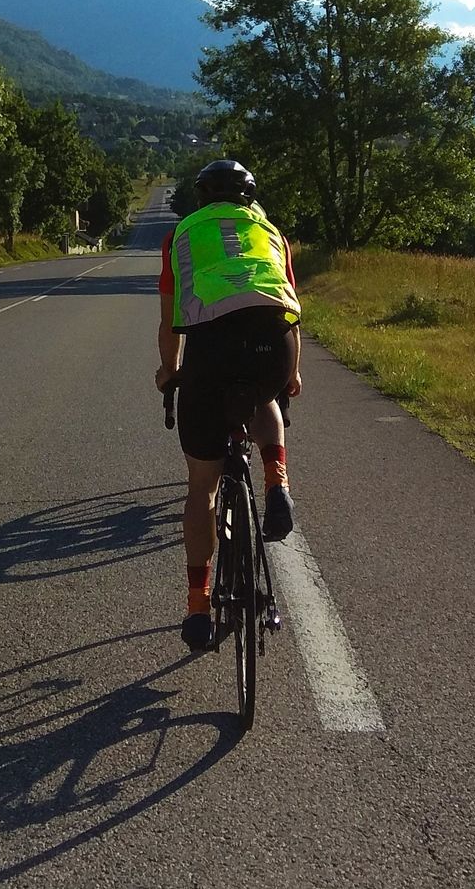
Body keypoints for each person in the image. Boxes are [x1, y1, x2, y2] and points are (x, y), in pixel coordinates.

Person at [155, 159, 302, 652]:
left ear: (202, 199)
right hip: (274, 344)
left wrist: (169, 370)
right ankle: (276, 480)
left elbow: (172, 322)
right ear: (248, 197)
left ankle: (198, 605)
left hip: (211, 353)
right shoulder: (270, 231)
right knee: (264, 394)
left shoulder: (182, 235)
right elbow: (287, 305)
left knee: (203, 487)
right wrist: (293, 372)